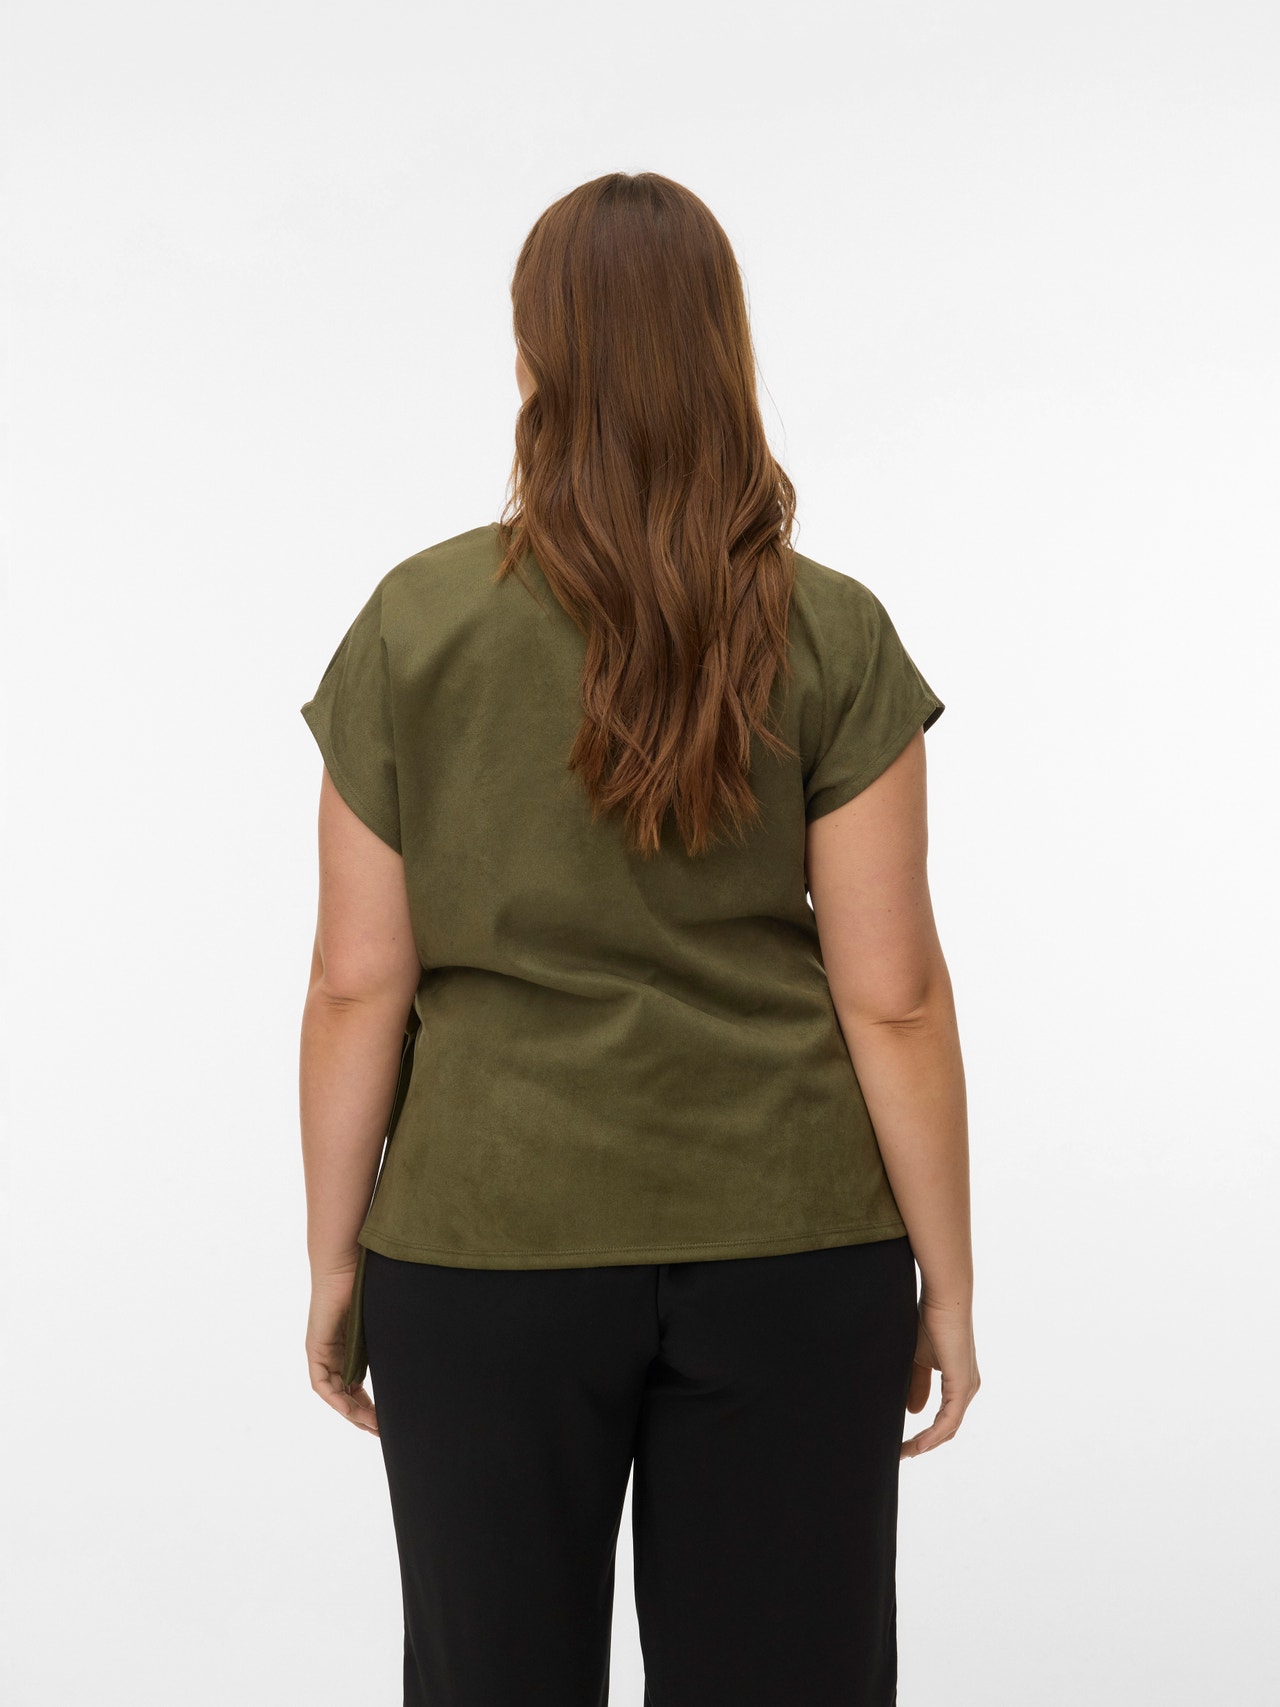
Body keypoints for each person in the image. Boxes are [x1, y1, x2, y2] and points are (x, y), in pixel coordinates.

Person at [298, 170, 979, 1707]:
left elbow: (356, 982)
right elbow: (893, 996)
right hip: (793, 1242)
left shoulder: (416, 623)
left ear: (536, 357)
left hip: (483, 1251)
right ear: (724, 349)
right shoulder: (829, 629)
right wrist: (944, 1273)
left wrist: (338, 1256)